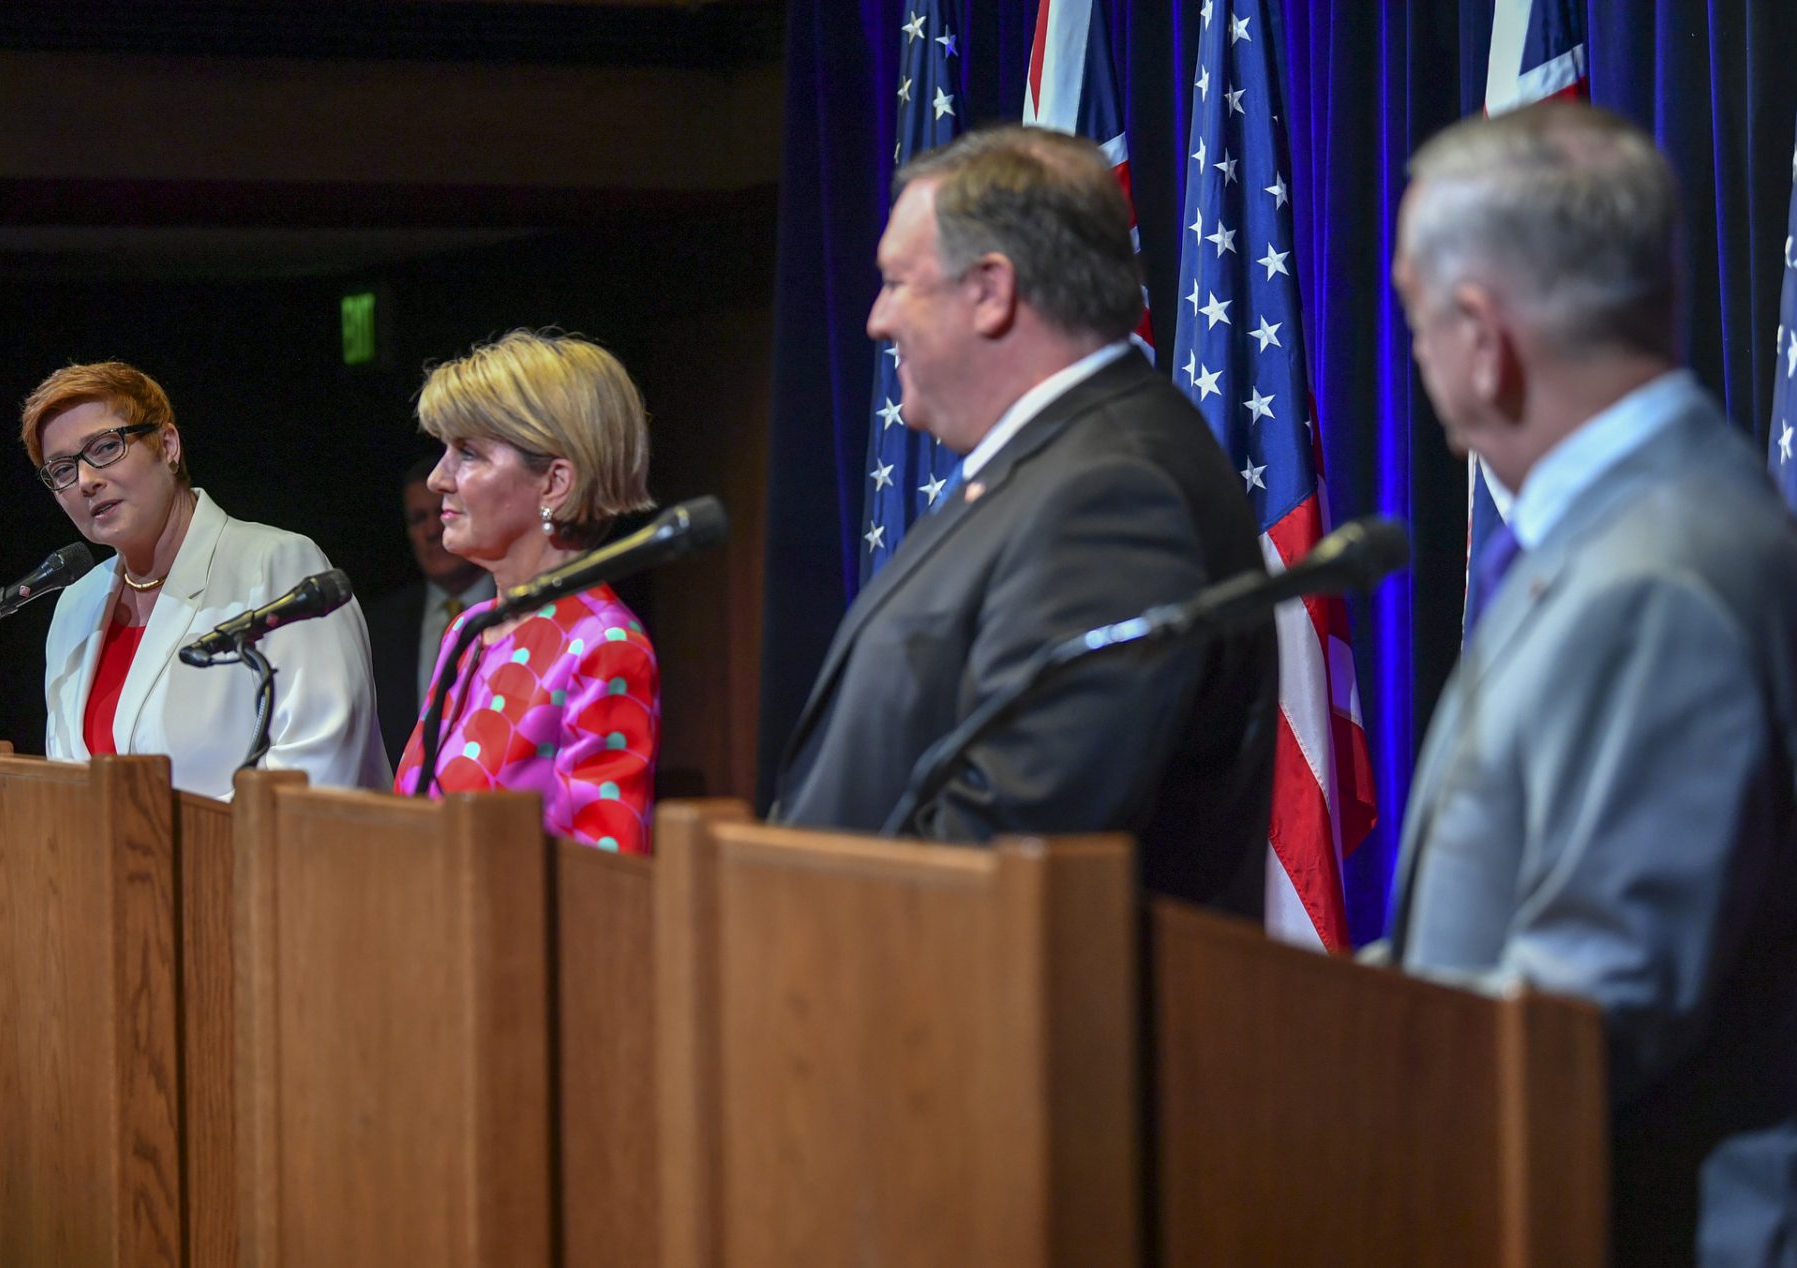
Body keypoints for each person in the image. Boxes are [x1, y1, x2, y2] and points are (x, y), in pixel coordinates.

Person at [1385, 101, 1797, 1265]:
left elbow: (1589, 1007)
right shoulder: (1613, 531)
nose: (1416, 358)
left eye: (1416, 320)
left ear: (1483, 334)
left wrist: (1310, 1048)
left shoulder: (1654, 577)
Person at [769, 125, 1278, 914]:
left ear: (991, 291)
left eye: (898, 283)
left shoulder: (1111, 494)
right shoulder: (1040, 469)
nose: (875, 319)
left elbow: (1013, 841)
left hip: (951, 1011)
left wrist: (814, 955)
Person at [26, 361, 392, 799]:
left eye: (105, 448)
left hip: (268, 863)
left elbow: (318, 767)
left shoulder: (278, 567)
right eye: (63, 470)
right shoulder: (75, 605)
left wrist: (168, 854)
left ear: (167, 445)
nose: (86, 480)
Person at [394, 329, 661, 856]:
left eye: (467, 453)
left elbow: (607, 880)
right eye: (444, 451)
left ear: (556, 482)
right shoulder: (468, 630)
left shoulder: (605, 646)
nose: (437, 479)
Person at [367, 459, 496, 758]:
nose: (431, 530)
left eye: (441, 512)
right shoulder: (380, 628)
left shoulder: (522, 607)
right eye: (417, 518)